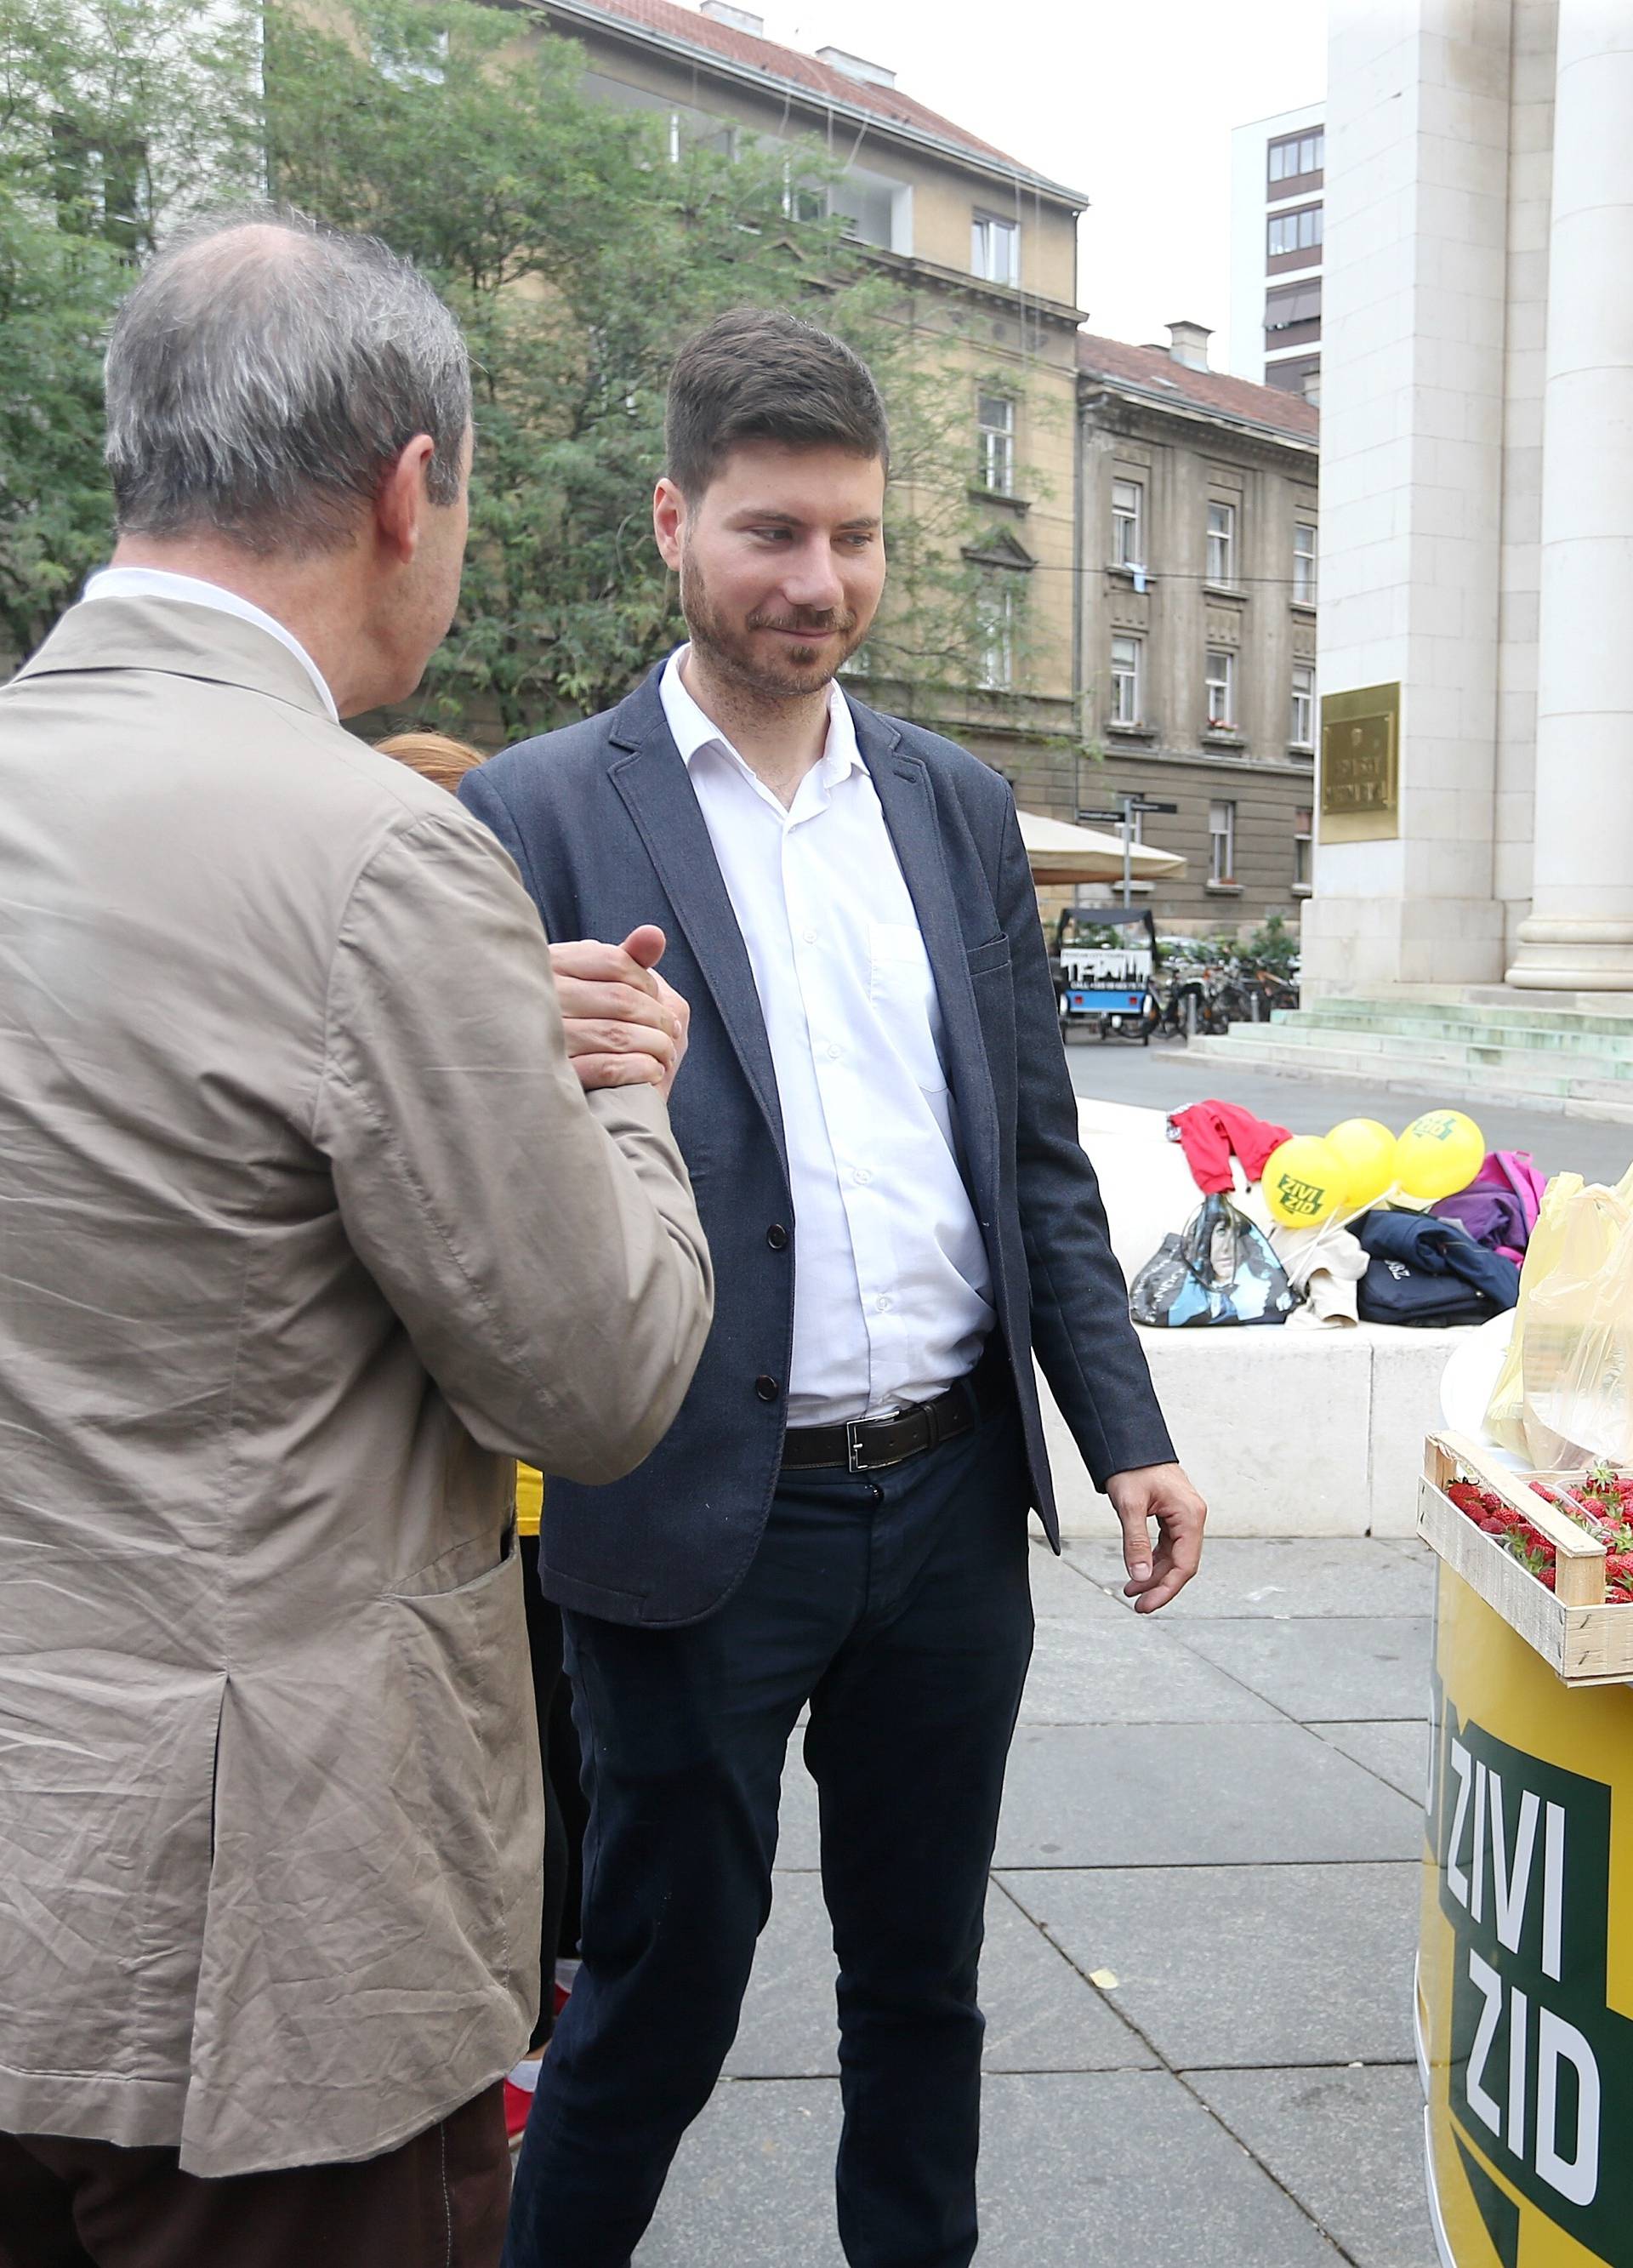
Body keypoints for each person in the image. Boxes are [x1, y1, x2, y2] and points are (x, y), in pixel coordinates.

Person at [0, 213, 713, 2268]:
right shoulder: (378, 856)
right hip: (258, 1973)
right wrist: (615, 1094)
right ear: (412, 490)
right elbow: (595, 1380)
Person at [460, 306, 1206, 2268]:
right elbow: (448, 1187)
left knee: (926, 1987)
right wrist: (497, 1046)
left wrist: (1126, 1433)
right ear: (672, 525)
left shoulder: (953, 806)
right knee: (660, 1988)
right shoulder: (533, 813)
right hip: (696, 1511)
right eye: (775, 534)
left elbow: (1034, 1153)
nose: (822, 583)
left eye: (857, 538)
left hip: (952, 1506)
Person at [373, 728, 590, 2142]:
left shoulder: (532, 1000)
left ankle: (542, 1996)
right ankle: (532, 2001)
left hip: (530, 1487)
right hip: (495, 1486)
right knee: (524, 1751)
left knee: (548, 1751)